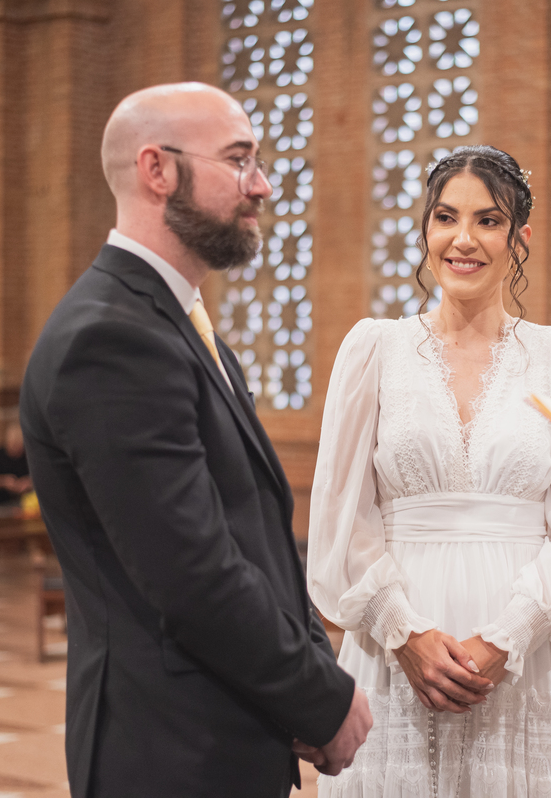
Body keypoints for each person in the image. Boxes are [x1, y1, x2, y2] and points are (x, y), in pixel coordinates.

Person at [20, 83, 370, 798]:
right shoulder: (112, 337)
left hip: (222, 726)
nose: (263, 185)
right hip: (167, 751)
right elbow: (192, 570)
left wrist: (309, 674)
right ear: (158, 170)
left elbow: (255, 534)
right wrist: (319, 698)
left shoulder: (177, 324)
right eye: (240, 160)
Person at [307, 145, 551, 796]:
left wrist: (508, 637)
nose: (463, 239)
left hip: (529, 662)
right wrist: (404, 632)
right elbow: (342, 517)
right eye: (445, 217)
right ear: (425, 230)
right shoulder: (375, 350)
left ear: (519, 236)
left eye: (488, 220)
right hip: (396, 655)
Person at [0, 423, 32, 513]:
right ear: (7, 442)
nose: (15, 449)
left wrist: (28, 482)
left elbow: (42, 477)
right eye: (12, 445)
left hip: (26, 504)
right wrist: (3, 481)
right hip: (1, 505)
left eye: (18, 446)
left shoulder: (29, 456)